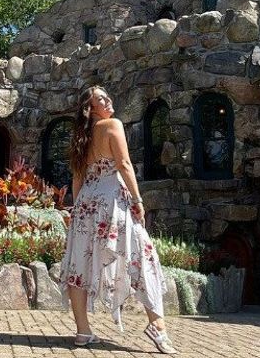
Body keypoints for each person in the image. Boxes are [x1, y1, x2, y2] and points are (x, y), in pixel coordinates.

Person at [60, 86, 176, 353]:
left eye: (107, 95)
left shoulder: (81, 136)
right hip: (112, 201)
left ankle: (83, 331)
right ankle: (157, 327)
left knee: (79, 265)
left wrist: (78, 210)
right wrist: (138, 200)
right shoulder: (112, 124)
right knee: (141, 256)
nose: (108, 99)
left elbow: (77, 178)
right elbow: (124, 164)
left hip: (86, 203)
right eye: (100, 98)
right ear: (90, 108)